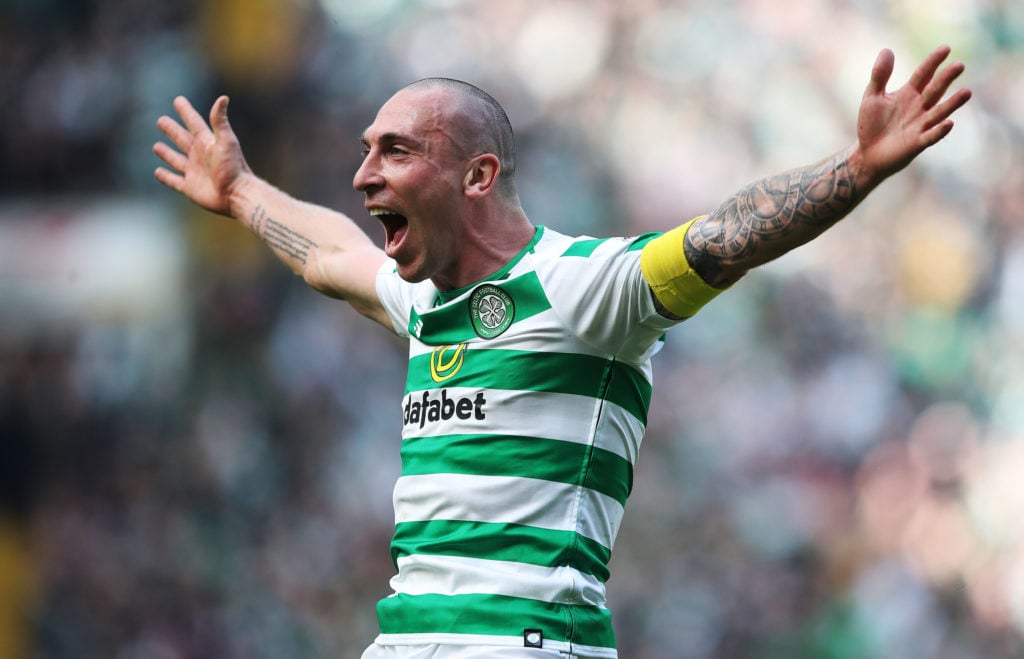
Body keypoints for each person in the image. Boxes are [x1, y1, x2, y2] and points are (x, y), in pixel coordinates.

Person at [153, 45, 971, 658]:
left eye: (395, 150)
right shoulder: (427, 300)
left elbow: (725, 237)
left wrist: (858, 168)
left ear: (477, 176)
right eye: (367, 148)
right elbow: (329, 256)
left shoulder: (580, 286)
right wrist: (240, 191)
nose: (363, 173)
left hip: (526, 641)